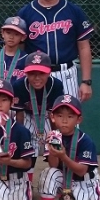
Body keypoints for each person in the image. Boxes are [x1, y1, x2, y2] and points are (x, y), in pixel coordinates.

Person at [17, 0, 93, 102]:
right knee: (33, 121)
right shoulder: (25, 13)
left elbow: (84, 47)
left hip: (66, 74)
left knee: (66, 122)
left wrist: (86, 81)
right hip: (35, 75)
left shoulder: (74, 11)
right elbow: (19, 50)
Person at [33, 95, 100, 200]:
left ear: (79, 119)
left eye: (70, 116)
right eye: (60, 115)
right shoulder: (53, 136)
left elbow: (82, 171)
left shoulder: (85, 140)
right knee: (48, 174)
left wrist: (63, 156)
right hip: (64, 177)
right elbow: (54, 165)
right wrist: (53, 151)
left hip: (85, 182)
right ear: (53, 117)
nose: (64, 120)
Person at [12, 52, 64, 186]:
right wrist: (21, 136)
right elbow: (20, 115)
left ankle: (59, 185)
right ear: (26, 73)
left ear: (49, 73)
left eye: (41, 73)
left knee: (56, 148)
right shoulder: (19, 85)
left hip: (48, 117)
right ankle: (26, 185)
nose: (36, 78)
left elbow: (56, 114)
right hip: (28, 117)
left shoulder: (56, 85)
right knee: (27, 150)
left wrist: (55, 137)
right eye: (32, 73)